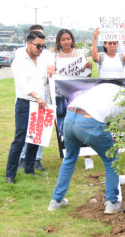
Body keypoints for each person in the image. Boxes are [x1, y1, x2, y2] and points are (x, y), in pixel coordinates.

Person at [48, 83, 125, 214]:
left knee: (69, 158)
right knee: (112, 159)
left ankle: (56, 201)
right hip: (89, 121)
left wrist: (109, 135)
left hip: (70, 116)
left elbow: (104, 110)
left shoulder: (110, 87)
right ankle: (112, 202)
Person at [5, 31, 49, 184]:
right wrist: (37, 97)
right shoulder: (19, 61)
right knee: (20, 138)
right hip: (25, 102)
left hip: (41, 103)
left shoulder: (41, 60)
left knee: (35, 139)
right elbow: (22, 84)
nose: (40, 49)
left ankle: (29, 169)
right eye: (38, 46)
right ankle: (10, 174)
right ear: (28, 43)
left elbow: (45, 80)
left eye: (43, 46)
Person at [53, 28, 95, 170]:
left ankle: (87, 156)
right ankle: (69, 156)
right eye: (63, 39)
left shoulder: (80, 54)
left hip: (78, 95)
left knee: (83, 123)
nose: (66, 42)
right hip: (62, 97)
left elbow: (87, 76)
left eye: (68, 39)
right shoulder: (54, 56)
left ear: (72, 40)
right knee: (65, 126)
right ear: (59, 41)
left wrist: (88, 68)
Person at [18, 24, 53, 172]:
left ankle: (37, 159)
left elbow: (50, 72)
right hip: (27, 97)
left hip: (43, 95)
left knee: (40, 130)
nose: (40, 47)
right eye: (37, 42)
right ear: (30, 39)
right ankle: (23, 158)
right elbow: (23, 78)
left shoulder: (47, 54)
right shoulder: (20, 53)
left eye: (42, 44)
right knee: (25, 130)